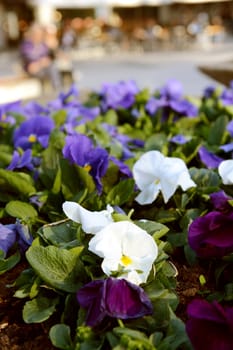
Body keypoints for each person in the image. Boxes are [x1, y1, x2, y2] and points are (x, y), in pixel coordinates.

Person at [20, 23, 62, 91]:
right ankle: (54, 89)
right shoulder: (26, 44)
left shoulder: (43, 44)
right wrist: (41, 62)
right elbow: (28, 58)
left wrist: (53, 48)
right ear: (32, 34)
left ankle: (57, 88)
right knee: (36, 68)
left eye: (40, 34)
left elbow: (49, 57)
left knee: (52, 66)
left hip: (41, 67)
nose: (38, 36)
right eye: (37, 34)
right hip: (31, 69)